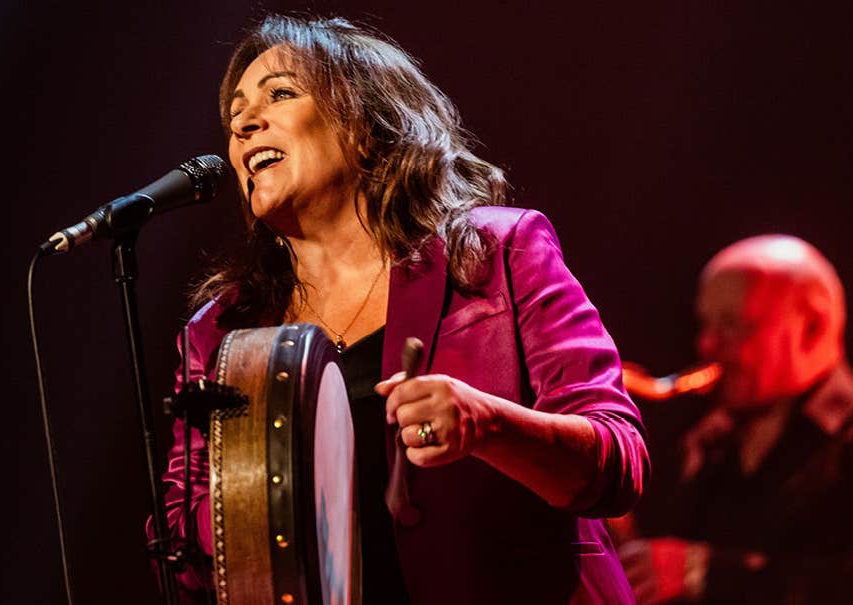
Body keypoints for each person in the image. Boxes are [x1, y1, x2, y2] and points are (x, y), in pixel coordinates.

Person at [150, 14, 649, 603]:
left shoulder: (496, 253)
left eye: (280, 94)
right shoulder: (223, 333)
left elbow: (618, 464)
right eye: (235, 118)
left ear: (366, 126)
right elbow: (178, 557)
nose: (244, 125)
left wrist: (488, 425)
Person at [617, 235, 853, 605]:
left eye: (733, 323)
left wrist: (706, 573)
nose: (707, 345)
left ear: (812, 326)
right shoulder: (709, 439)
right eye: (706, 322)